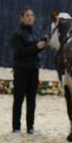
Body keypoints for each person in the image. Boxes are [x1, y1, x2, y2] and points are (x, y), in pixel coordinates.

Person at [10, 7, 46, 135]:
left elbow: (34, 50)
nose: (30, 17)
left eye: (32, 15)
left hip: (34, 70)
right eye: (27, 15)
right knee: (19, 99)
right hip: (21, 70)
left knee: (32, 100)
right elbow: (20, 53)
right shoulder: (17, 34)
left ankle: (30, 127)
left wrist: (41, 46)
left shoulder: (35, 33)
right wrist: (37, 47)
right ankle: (16, 128)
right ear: (22, 18)